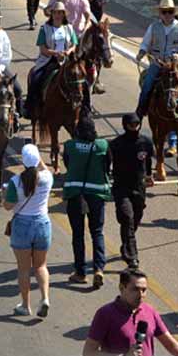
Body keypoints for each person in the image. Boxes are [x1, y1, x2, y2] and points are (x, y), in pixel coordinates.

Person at [83, 268, 178, 356]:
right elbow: (88, 353)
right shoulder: (105, 314)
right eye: (135, 289)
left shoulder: (149, 311)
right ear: (122, 288)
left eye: (144, 290)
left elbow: (169, 343)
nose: (141, 295)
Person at [4, 144, 53, 319]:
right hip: (42, 224)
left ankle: (25, 305)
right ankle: (45, 298)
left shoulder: (15, 182)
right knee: (41, 265)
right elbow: (43, 167)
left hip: (22, 225)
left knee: (24, 269)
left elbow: (7, 206)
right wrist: (38, 158)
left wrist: (4, 194)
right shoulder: (47, 177)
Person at [62, 114, 110, 288]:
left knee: (78, 235)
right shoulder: (103, 145)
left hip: (75, 194)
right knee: (97, 232)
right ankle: (98, 269)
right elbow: (107, 166)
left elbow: (67, 165)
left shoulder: (69, 145)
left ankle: (80, 273)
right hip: (97, 195)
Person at [108, 113, 155, 270]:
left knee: (135, 219)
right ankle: (132, 257)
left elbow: (148, 161)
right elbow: (106, 164)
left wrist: (149, 176)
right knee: (127, 218)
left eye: (136, 125)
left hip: (139, 188)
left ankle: (126, 245)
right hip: (121, 188)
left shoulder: (146, 142)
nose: (134, 128)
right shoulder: (116, 144)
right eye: (131, 125)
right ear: (125, 125)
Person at [25, 1, 79, 113]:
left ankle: (84, 109)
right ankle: (30, 107)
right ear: (52, 14)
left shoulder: (69, 28)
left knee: (81, 80)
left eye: (60, 13)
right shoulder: (44, 29)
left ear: (63, 14)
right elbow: (42, 49)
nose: (57, 15)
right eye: (55, 12)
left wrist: (68, 52)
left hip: (66, 60)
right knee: (35, 78)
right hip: (49, 60)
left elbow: (74, 44)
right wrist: (55, 53)